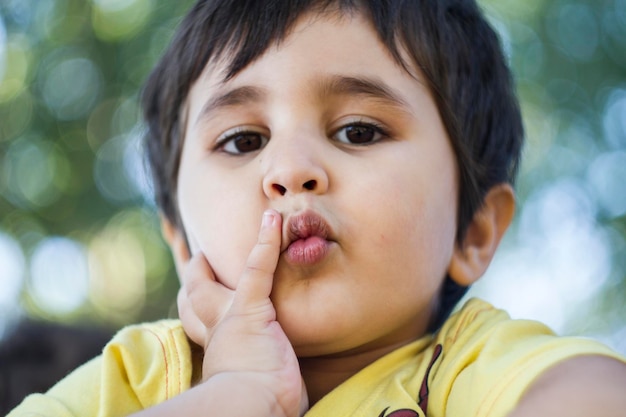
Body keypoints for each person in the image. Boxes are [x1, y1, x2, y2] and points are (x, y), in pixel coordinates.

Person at [8, 0, 626, 416]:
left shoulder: (476, 371)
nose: (290, 170)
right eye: (243, 141)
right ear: (182, 244)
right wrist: (235, 396)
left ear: (474, 231)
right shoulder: (141, 379)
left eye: (358, 131)